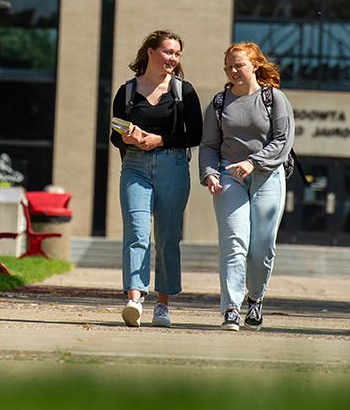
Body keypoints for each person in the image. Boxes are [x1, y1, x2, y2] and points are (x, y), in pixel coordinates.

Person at [198, 42, 295, 331]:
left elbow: (282, 141)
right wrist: (209, 173)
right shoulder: (219, 103)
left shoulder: (274, 99)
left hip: (267, 176)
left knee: (262, 246)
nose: (233, 71)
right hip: (230, 176)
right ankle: (231, 307)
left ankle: (255, 298)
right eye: (229, 66)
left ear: (254, 65)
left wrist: (253, 162)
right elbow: (208, 145)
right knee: (234, 243)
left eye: (238, 65)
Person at [110, 30, 202, 328]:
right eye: (167, 52)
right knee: (137, 232)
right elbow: (114, 135)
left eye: (176, 54)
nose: (172, 59)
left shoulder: (183, 91)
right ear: (150, 51)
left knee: (166, 237)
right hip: (135, 166)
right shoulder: (126, 91)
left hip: (173, 166)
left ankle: (163, 304)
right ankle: (134, 298)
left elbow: (195, 135)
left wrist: (159, 140)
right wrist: (129, 137)